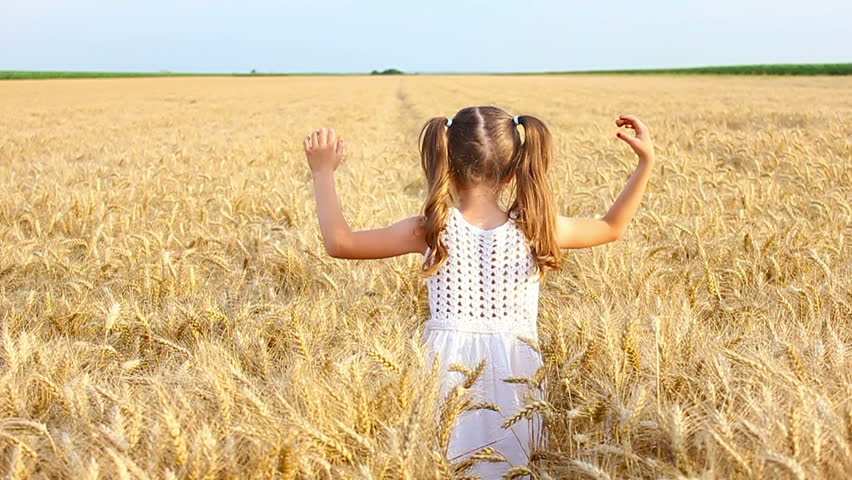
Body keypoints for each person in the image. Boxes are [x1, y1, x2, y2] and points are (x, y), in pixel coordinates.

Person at [303, 106, 655, 478]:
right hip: (517, 372)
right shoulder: (536, 228)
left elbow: (340, 243)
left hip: (446, 374)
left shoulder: (431, 229)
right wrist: (645, 164)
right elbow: (611, 227)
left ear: (447, 163)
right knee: (516, 466)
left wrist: (323, 172)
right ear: (513, 169)